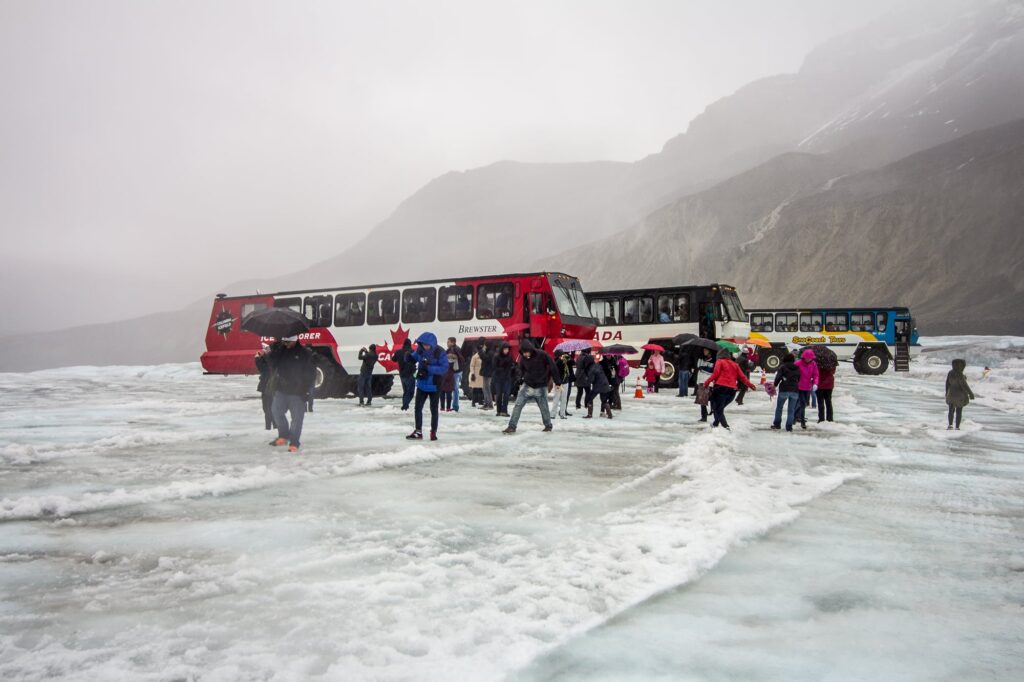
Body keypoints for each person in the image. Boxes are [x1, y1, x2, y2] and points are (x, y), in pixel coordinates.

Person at [262, 335, 315, 453]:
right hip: (281, 389)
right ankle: (283, 436)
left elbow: (311, 373)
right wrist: (268, 354)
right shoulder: (281, 350)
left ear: (294, 340)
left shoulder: (305, 353)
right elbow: (273, 365)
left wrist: (306, 390)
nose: (285, 344)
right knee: (276, 412)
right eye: (284, 342)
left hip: (298, 391)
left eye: (288, 342)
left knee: (297, 418)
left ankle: (294, 442)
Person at [503, 341, 560, 434]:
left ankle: (548, 425)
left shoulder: (542, 354)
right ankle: (511, 426)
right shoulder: (523, 358)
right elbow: (520, 370)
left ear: (530, 350)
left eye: (526, 352)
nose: (525, 354)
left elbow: (553, 366)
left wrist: (557, 381)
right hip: (527, 385)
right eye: (523, 353)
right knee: (518, 405)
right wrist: (519, 378)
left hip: (541, 386)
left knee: (544, 407)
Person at [406, 332, 449, 441]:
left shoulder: (440, 352)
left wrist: (429, 368)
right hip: (421, 384)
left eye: (427, 345)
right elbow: (413, 358)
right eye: (423, 344)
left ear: (432, 344)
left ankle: (433, 432)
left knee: (434, 410)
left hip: (434, 385)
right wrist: (408, 358)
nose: (425, 347)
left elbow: (444, 368)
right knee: (417, 409)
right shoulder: (420, 350)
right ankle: (418, 431)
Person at [703, 348, 756, 429]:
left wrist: (706, 382)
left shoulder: (720, 361)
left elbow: (715, 374)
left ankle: (725, 427)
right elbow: (742, 377)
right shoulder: (735, 364)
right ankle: (715, 424)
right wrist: (750, 385)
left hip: (720, 388)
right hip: (732, 391)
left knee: (717, 409)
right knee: (718, 408)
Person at [770, 353, 802, 431]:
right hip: (794, 390)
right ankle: (789, 426)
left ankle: (777, 424)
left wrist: (775, 385)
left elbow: (778, 377)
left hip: (784, 389)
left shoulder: (783, 367)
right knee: (791, 409)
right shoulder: (797, 368)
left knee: (779, 408)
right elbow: (799, 378)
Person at [945, 358, 975, 430]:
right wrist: (971, 394)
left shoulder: (950, 373)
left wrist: (946, 393)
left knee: (951, 410)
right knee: (959, 411)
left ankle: (950, 425)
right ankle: (957, 427)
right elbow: (965, 385)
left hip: (951, 394)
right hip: (960, 395)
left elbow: (947, 383)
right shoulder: (960, 375)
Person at [794, 349, 820, 429]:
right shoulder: (798, 363)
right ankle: (801, 421)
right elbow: (792, 372)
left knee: (804, 404)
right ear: (803, 357)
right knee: (801, 404)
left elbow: (816, 374)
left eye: (810, 358)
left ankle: (795, 417)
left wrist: (815, 383)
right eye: (807, 358)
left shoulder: (813, 364)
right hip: (799, 386)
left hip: (808, 387)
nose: (808, 359)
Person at [254, 343, 276, 430]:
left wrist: (257, 359)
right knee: (268, 407)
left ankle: (269, 427)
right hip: (269, 386)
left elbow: (263, 369)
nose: (263, 350)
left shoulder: (270, 358)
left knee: (267, 408)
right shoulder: (269, 358)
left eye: (265, 349)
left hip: (269, 386)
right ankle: (273, 425)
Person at [587, 351, 614, 418]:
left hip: (597, 386)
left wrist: (588, 382)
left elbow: (592, 379)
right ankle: (610, 415)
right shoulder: (598, 365)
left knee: (589, 399)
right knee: (604, 400)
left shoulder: (591, 368)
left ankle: (589, 414)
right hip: (605, 384)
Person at [492, 343, 515, 417]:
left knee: (506, 394)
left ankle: (504, 410)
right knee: (499, 395)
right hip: (498, 378)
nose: (506, 351)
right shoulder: (496, 356)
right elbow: (494, 368)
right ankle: (499, 411)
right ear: (502, 349)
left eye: (507, 349)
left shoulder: (509, 357)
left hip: (507, 378)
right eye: (505, 349)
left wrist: (513, 366)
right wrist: (503, 368)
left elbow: (511, 366)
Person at [394, 338, 416, 411]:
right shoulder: (412, 351)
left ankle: (405, 406)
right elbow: (416, 360)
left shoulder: (398, 351)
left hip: (402, 374)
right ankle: (405, 406)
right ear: (410, 344)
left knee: (406, 391)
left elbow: (393, 359)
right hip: (411, 374)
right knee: (410, 392)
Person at [695, 348, 716, 422]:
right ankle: (704, 416)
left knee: (710, 399)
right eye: (703, 350)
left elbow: (712, 371)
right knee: (702, 401)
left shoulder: (714, 360)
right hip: (701, 381)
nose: (704, 351)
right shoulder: (701, 359)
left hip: (709, 383)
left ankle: (712, 411)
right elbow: (698, 367)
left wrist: (704, 368)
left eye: (706, 350)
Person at [552, 350, 574, 419]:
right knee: (556, 398)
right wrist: (560, 360)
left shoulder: (566, 360)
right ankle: (553, 414)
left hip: (565, 382)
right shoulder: (556, 361)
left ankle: (562, 414)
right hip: (558, 383)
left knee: (564, 399)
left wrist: (569, 358)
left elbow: (573, 363)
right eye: (561, 355)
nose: (562, 356)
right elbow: (555, 371)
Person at [446, 338, 466, 412]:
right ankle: (454, 406)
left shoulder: (455, 349)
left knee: (455, 388)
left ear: (452, 342)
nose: (447, 343)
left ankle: (455, 406)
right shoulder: (452, 349)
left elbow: (461, 359)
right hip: (456, 371)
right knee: (454, 388)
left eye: (448, 342)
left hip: (456, 371)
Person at [478, 341, 495, 410]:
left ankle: (490, 404)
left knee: (487, 389)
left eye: (485, 345)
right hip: (486, 372)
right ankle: (486, 403)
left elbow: (486, 358)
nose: (484, 346)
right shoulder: (489, 352)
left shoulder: (490, 353)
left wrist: (481, 352)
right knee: (485, 388)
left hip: (488, 373)